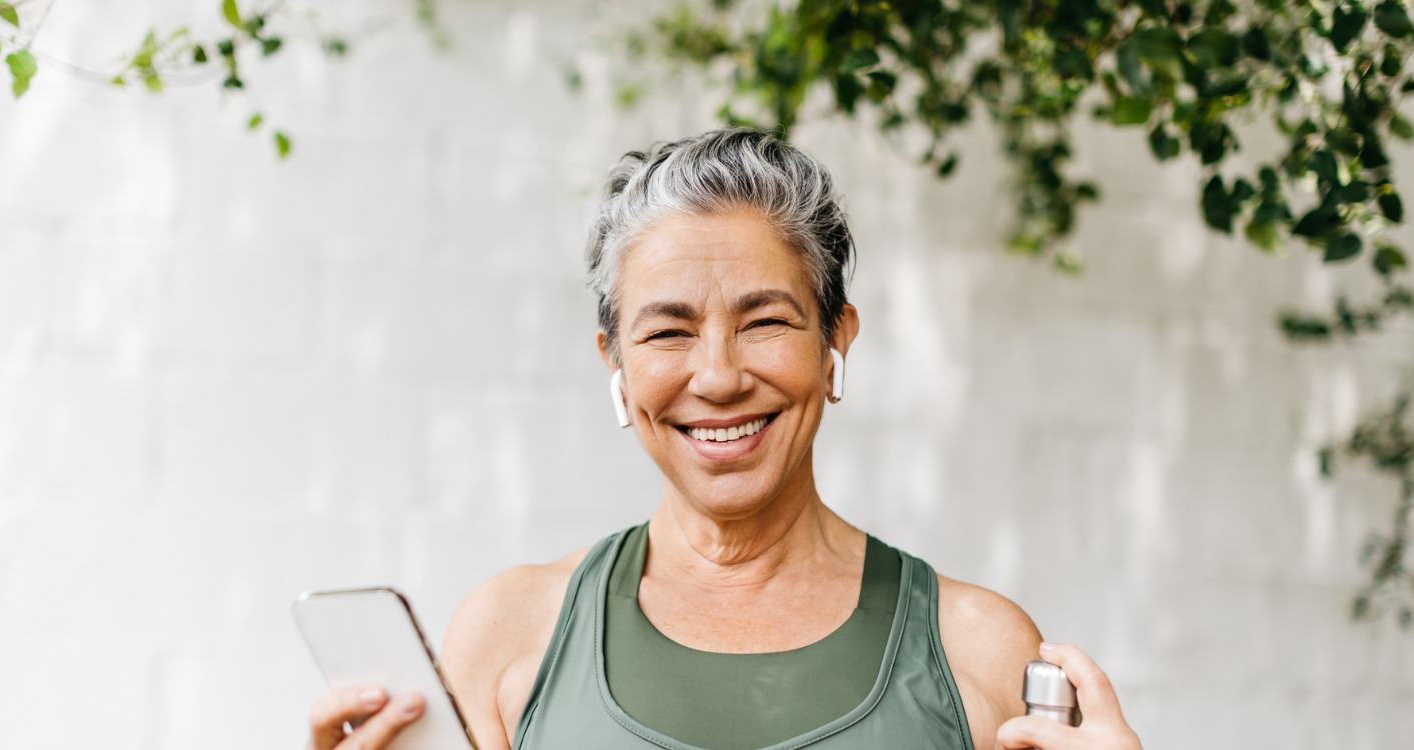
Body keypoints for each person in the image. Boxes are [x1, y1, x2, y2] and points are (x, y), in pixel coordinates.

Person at [306, 128, 1144, 750]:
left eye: (766, 321)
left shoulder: (980, 648)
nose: (717, 376)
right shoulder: (510, 633)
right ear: (616, 364)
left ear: (834, 341)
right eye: (668, 332)